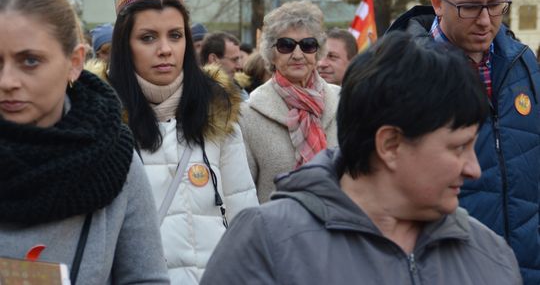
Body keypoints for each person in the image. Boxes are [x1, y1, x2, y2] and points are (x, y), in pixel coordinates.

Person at [201, 31, 522, 285]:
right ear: (391, 144)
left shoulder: (490, 254)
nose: (474, 169)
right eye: (458, 148)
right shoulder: (267, 245)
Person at [387, 0, 540, 283]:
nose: (486, 21)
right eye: (470, 7)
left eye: (497, 4)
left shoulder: (523, 62)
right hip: (445, 268)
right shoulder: (401, 73)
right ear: (438, 4)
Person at [0, 0, 168, 284]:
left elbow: (146, 279)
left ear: (74, 62)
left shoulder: (114, 161)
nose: (7, 81)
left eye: (30, 61)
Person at [108, 0, 258, 284]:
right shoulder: (103, 124)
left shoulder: (218, 112)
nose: (165, 49)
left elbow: (243, 215)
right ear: (124, 44)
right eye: (148, 37)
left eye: (175, 35)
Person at [239, 0, 340, 202]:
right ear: (271, 53)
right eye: (286, 46)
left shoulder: (342, 102)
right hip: (278, 230)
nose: (297, 54)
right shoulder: (248, 114)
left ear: (317, 51)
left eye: (307, 45)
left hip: (340, 226)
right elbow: (243, 195)